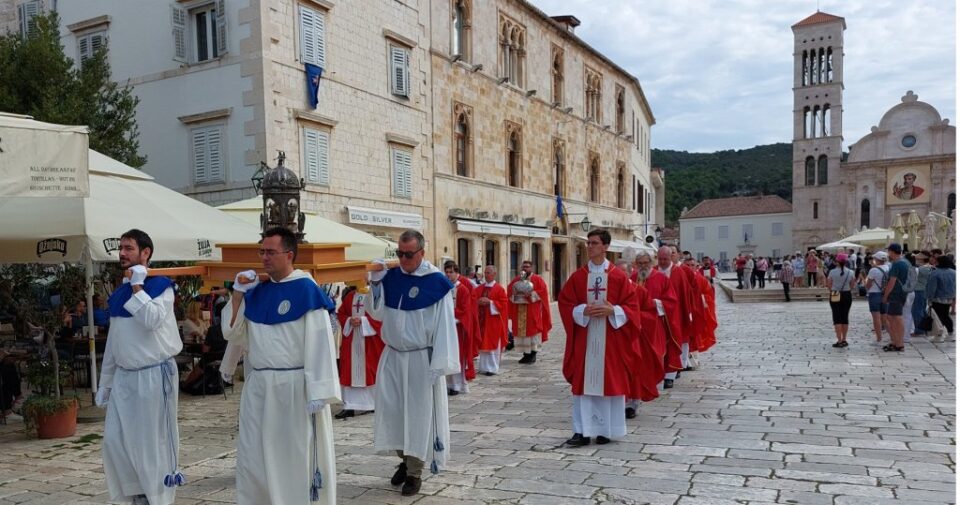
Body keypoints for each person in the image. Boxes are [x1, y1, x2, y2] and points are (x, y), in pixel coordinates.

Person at [219, 227, 340, 504]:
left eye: (270, 252)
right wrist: (237, 294)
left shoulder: (307, 290)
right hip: (260, 387)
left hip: (295, 389)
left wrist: (319, 392)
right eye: (261, 252)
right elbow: (233, 333)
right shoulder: (256, 293)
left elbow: (320, 342)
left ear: (289, 254)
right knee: (255, 454)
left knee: (293, 455)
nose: (264, 258)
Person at [366, 229, 459, 497]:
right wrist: (375, 283)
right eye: (399, 253)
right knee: (394, 412)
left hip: (421, 358)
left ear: (422, 252)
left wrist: (440, 363)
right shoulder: (391, 277)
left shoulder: (436, 283)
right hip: (393, 354)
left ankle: (415, 471)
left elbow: (444, 327)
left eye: (408, 254)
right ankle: (405, 460)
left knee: (418, 415)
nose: (403, 259)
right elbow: (377, 312)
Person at [96, 229, 183, 505]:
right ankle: (134, 493)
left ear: (146, 253)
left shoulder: (162, 287)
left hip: (154, 374)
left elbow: (152, 320)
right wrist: (105, 383)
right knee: (114, 441)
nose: (121, 253)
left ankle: (158, 497)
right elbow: (115, 341)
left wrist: (137, 287)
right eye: (120, 248)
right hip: (124, 378)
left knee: (151, 442)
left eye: (129, 248)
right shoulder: (118, 294)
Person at [558, 229, 640, 447]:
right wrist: (581, 311)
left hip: (611, 342)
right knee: (583, 384)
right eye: (588, 243)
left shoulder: (618, 277)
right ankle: (582, 431)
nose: (589, 247)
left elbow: (633, 309)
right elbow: (565, 303)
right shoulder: (578, 277)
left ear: (605, 247)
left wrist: (613, 311)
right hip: (585, 340)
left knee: (609, 383)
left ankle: (607, 430)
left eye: (594, 243)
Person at [626, 250, 672, 418]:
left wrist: (652, 303)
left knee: (648, 362)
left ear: (652, 263)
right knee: (633, 364)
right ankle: (632, 401)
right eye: (640, 264)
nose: (643, 266)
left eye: (646, 263)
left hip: (652, 327)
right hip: (633, 329)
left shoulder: (661, 279)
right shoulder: (631, 280)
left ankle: (645, 391)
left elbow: (670, 302)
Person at [335, 285, 385, 419]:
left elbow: (380, 316)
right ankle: (349, 406)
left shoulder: (373, 296)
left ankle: (371, 404)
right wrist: (349, 320)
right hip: (352, 338)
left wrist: (363, 321)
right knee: (348, 370)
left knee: (369, 369)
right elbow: (341, 313)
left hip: (368, 340)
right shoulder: (350, 296)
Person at [507, 260, 552, 364]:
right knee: (522, 335)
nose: (524, 269)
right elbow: (509, 291)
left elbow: (543, 292)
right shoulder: (517, 279)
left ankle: (533, 354)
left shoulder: (537, 279)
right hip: (519, 311)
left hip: (532, 311)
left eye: (527, 267)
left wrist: (532, 294)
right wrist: (514, 293)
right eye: (523, 267)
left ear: (531, 268)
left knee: (532, 333)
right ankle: (525, 355)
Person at [443, 260, 478, 395]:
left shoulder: (462, 289)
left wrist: (450, 314)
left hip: (458, 328)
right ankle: (448, 384)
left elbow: (464, 310)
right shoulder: (445, 288)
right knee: (447, 355)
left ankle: (457, 385)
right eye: (446, 272)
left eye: (451, 272)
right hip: (447, 327)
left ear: (457, 272)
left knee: (458, 356)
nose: (448, 275)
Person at [473, 265, 509, 375]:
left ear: (494, 274)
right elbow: (472, 300)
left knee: (492, 344)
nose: (486, 275)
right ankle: (484, 367)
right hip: (482, 321)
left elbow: (504, 304)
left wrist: (490, 302)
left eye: (488, 273)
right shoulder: (479, 288)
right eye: (485, 272)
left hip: (493, 322)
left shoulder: (499, 289)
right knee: (483, 344)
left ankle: (492, 368)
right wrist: (478, 302)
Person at [881, 243, 910, 352]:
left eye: (888, 251)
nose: (888, 253)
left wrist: (885, 295)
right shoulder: (905, 262)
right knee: (891, 317)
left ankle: (899, 344)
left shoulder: (896, 264)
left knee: (897, 317)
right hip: (902, 292)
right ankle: (895, 341)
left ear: (892, 251)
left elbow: (892, 282)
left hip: (896, 293)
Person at [826, 253, 856, 348]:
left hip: (835, 294)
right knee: (845, 317)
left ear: (837, 262)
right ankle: (844, 339)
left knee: (837, 317)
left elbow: (829, 285)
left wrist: (834, 290)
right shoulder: (851, 272)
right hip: (846, 294)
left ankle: (839, 340)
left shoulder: (832, 272)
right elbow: (852, 285)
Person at [925, 254, 956, 342]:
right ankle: (950, 333)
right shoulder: (954, 272)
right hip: (949, 297)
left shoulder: (935, 273)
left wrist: (929, 298)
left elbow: (932, 288)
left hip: (937, 298)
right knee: (945, 315)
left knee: (938, 317)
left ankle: (938, 335)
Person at [865, 252, 889, 344]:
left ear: (877, 260)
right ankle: (892, 336)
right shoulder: (889, 268)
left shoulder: (873, 270)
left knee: (876, 317)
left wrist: (866, 285)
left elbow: (868, 284)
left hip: (874, 294)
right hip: (885, 294)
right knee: (885, 317)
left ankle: (879, 338)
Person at [912, 251, 934, 337]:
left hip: (918, 290)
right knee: (922, 310)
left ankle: (919, 330)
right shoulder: (931, 267)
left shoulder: (921, 269)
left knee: (917, 311)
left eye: (917, 259)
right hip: (925, 290)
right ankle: (924, 328)